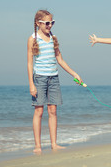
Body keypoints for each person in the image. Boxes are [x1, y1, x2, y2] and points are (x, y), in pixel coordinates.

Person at [27, 10, 83, 153]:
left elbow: (60, 60)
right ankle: (37, 146)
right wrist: (31, 84)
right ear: (38, 23)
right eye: (47, 23)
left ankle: (54, 144)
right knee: (39, 111)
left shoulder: (54, 38)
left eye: (52, 22)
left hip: (54, 78)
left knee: (53, 110)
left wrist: (74, 73)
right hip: (39, 78)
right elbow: (29, 64)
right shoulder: (32, 39)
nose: (50, 25)